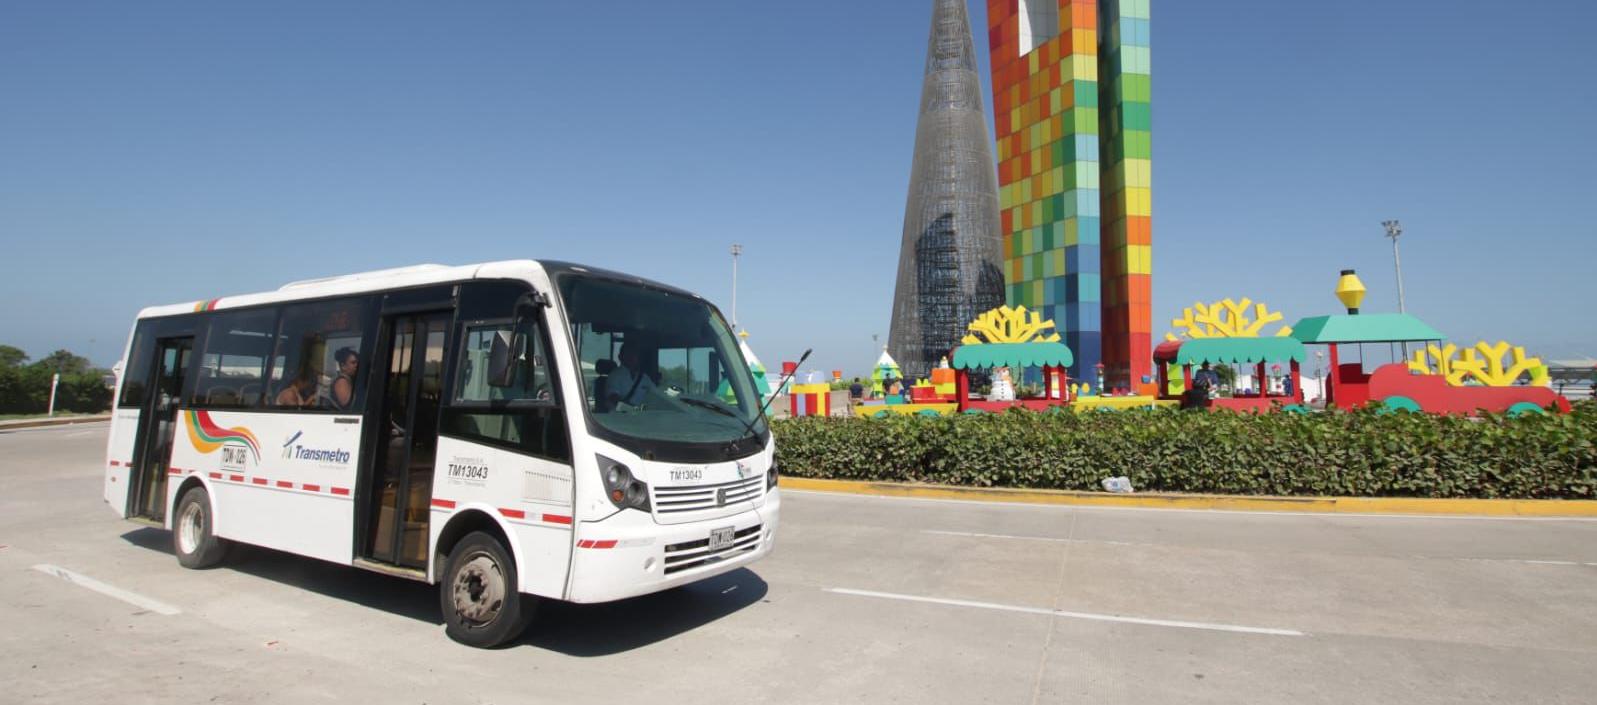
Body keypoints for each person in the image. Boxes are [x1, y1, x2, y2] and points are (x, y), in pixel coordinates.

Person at [606, 343, 659, 408]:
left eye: (634, 354)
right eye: (628, 354)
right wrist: (633, 408)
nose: (631, 357)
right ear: (620, 357)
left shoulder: (644, 378)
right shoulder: (615, 376)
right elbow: (613, 398)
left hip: (644, 416)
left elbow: (657, 395)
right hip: (620, 416)